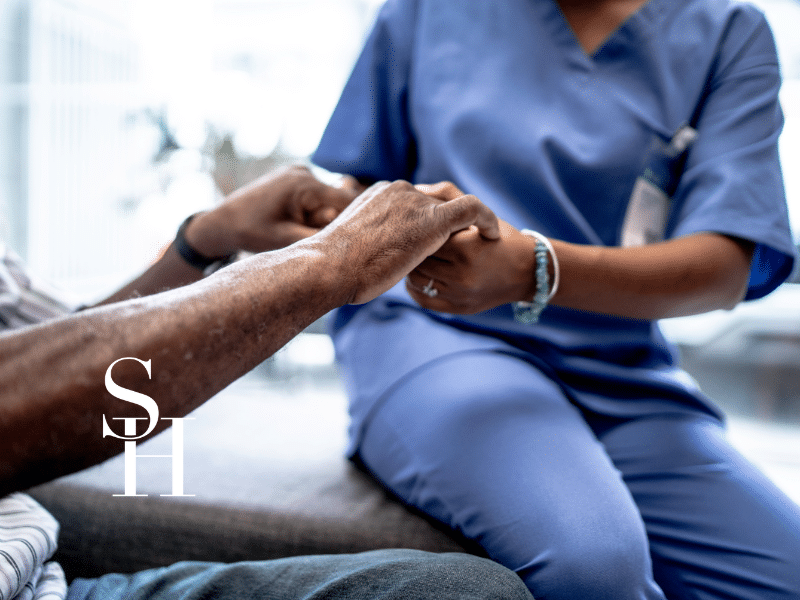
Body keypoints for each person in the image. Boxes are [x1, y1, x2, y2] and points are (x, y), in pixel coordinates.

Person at [311, 0, 800, 598]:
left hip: (618, 369)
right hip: (436, 335)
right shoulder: (427, 11)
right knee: (593, 567)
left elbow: (725, 264)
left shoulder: (725, 30)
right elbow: (358, 194)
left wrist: (534, 269)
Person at [0, 165, 534, 600]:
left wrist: (204, 238)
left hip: (46, 584)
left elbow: (57, 355)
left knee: (464, 593)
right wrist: (326, 264)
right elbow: (35, 394)